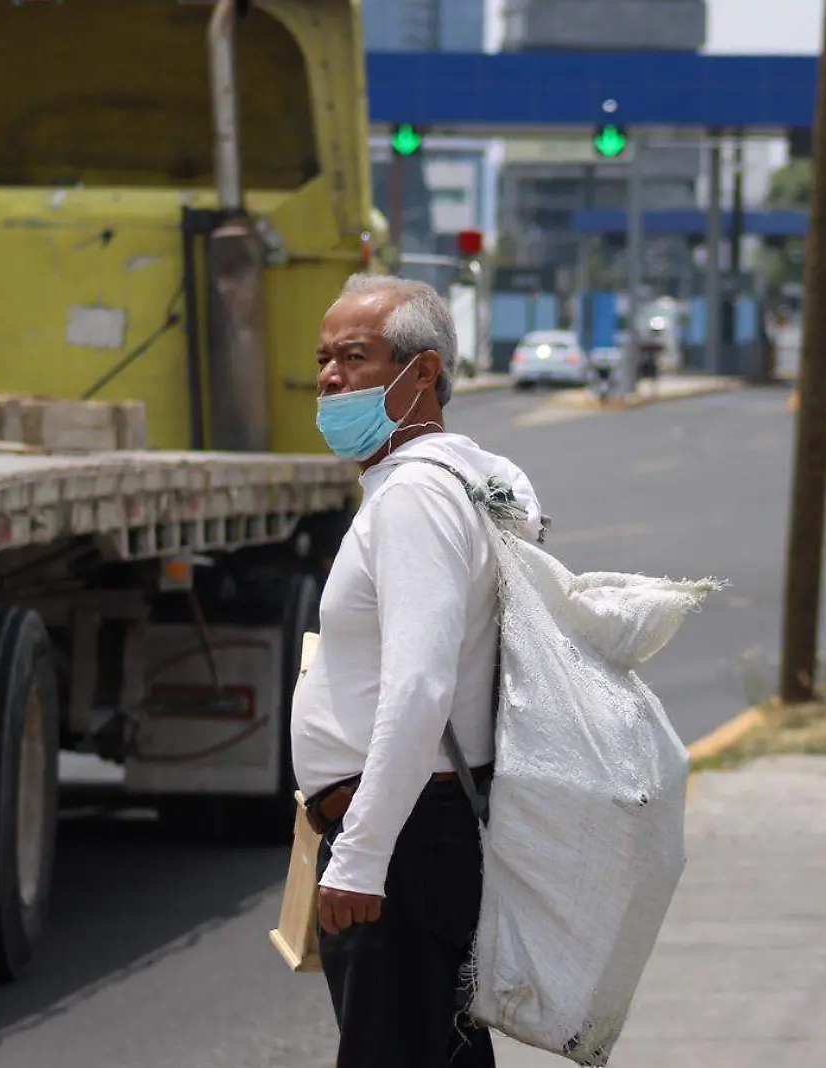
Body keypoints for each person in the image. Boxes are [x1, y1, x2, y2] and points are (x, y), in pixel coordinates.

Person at [291, 273, 543, 1068]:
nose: (331, 377)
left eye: (355, 358)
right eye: (324, 359)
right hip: (426, 832)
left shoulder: (415, 500)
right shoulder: (471, 479)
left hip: (404, 843)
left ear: (422, 373)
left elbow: (420, 682)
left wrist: (362, 856)